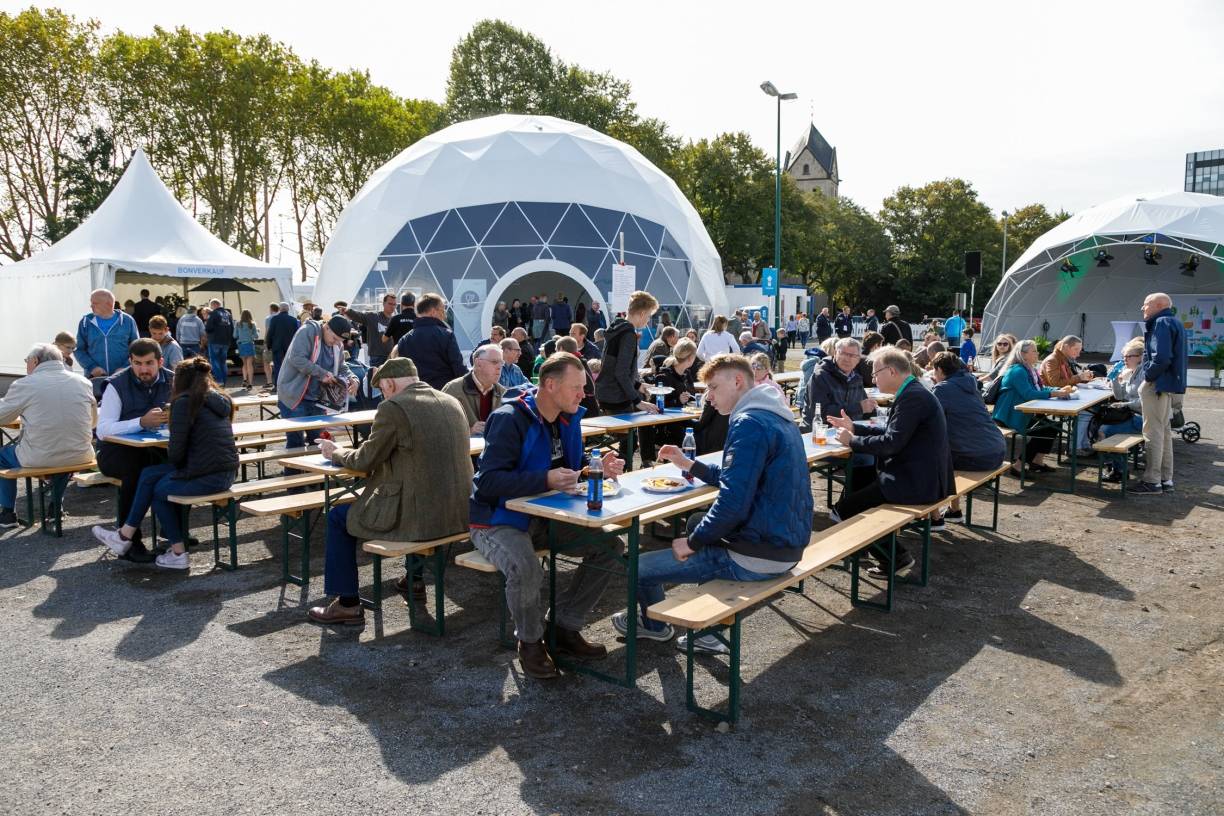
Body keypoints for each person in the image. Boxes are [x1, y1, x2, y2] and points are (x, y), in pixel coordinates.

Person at [619, 353, 812, 651]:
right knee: (697, 520)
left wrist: (692, 543)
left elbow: (733, 502)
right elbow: (739, 477)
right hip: (787, 544)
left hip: (758, 556)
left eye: (713, 388)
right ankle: (707, 634)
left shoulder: (749, 422)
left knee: (638, 567)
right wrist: (689, 464)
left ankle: (655, 626)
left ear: (737, 381)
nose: (708, 397)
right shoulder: (776, 415)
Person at [469, 353, 627, 679]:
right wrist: (545, 480)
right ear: (550, 384)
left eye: (584, 387)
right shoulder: (510, 418)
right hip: (496, 519)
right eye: (577, 387)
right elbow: (488, 483)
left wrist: (593, 468)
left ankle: (564, 627)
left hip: (546, 515)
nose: (584, 395)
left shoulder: (568, 416)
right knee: (526, 568)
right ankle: (529, 642)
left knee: (610, 547)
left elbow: (570, 464)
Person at [307, 358, 472, 624]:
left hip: (423, 519)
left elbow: (364, 461)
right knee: (419, 489)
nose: (383, 394)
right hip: (459, 512)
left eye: (382, 389)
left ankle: (347, 603)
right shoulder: (451, 402)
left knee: (338, 517)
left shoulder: (393, 407)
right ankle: (413, 580)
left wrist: (335, 452)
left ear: (390, 383)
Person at [92, 357, 238, 570]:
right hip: (226, 472)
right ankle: (124, 536)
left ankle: (177, 553)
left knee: (158, 489)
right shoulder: (220, 399)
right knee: (150, 475)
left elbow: (177, 454)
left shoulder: (183, 402)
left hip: (206, 474)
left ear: (179, 380)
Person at [826, 347, 953, 575]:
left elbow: (891, 443)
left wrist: (852, 440)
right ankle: (890, 555)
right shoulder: (913, 391)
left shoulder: (912, 396)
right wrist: (854, 426)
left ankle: (893, 557)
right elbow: (892, 431)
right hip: (921, 477)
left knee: (844, 509)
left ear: (892, 371)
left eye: (875, 374)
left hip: (917, 483)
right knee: (859, 492)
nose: (873, 379)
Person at [95, 338, 176, 562]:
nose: (143, 369)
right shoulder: (115, 385)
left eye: (149, 363)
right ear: (130, 361)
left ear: (160, 361)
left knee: (180, 464)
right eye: (137, 363)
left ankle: (174, 532)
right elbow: (102, 430)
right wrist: (140, 422)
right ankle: (131, 542)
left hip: (155, 449)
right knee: (138, 470)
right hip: (115, 452)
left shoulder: (173, 380)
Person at [0, 344, 95, 528]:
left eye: (27, 361)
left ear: (35, 361)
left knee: (3, 456)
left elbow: (2, 415)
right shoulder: (83, 382)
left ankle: (7, 513)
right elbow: (92, 422)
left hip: (40, 457)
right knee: (63, 449)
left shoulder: (25, 384)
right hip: (81, 454)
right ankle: (55, 507)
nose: (27, 365)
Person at [929, 352, 1006, 521]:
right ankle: (954, 510)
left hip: (976, 456)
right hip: (997, 450)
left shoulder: (943, 388)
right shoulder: (970, 384)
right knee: (949, 449)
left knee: (928, 458)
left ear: (940, 370)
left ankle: (933, 518)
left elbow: (927, 420)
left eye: (934, 371)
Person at [1131, 292, 1188, 495]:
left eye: (1146, 304)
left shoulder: (1161, 323)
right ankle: (1166, 479)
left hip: (1157, 385)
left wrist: (1147, 378)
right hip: (1169, 386)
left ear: (1158, 305)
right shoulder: (1174, 322)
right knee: (1163, 432)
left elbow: (1162, 357)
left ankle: (1152, 481)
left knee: (1152, 432)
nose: (1143, 308)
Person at [991, 339, 1075, 475]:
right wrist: (1055, 393)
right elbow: (1029, 394)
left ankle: (1036, 462)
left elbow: (1040, 388)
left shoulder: (1028, 369)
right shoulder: (1018, 371)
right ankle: (1018, 465)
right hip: (1010, 416)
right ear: (1023, 354)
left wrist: (1058, 390)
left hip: (1022, 412)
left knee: (1052, 427)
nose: (1037, 353)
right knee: (1045, 430)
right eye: (1034, 351)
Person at [276, 315, 360, 450]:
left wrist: (352, 378)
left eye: (340, 341)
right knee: (296, 444)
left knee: (320, 442)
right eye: (334, 338)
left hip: (317, 400)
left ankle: (317, 471)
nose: (336, 343)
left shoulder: (337, 344)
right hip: (295, 396)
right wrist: (322, 374)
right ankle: (293, 472)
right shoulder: (308, 331)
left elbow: (342, 366)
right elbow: (296, 358)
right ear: (326, 327)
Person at [594, 291, 661, 440]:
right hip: (616, 397)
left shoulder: (617, 328)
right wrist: (638, 401)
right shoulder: (628, 334)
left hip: (605, 392)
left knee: (622, 443)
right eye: (649, 315)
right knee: (625, 445)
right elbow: (620, 373)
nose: (648, 320)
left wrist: (637, 385)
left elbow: (615, 368)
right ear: (642, 313)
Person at [394, 293, 467, 390]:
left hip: (415, 394)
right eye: (442, 310)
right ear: (433, 312)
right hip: (444, 394)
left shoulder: (404, 340)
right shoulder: (446, 335)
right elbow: (458, 368)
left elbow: (401, 373)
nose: (444, 315)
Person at [802, 337, 876, 433]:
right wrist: (859, 407)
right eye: (843, 354)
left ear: (858, 359)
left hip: (847, 431)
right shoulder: (821, 376)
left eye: (852, 356)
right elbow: (821, 412)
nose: (847, 359)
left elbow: (864, 410)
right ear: (835, 353)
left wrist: (873, 410)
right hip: (819, 433)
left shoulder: (856, 378)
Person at [1096, 339, 1144, 483]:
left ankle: (1117, 469)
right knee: (1099, 425)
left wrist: (1125, 405)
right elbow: (1119, 396)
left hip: (1142, 418)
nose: (1125, 359)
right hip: (1131, 415)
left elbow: (1146, 402)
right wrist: (1115, 380)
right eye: (1124, 356)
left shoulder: (1144, 374)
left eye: (1129, 356)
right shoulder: (1132, 371)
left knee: (1104, 431)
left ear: (1140, 357)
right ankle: (1114, 467)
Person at [443, 344, 507, 436]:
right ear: (478, 363)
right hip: (467, 449)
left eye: (501, 363)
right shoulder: (453, 390)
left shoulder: (503, 393)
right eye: (494, 362)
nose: (499, 367)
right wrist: (469, 431)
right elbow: (441, 427)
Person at [76, 289, 139, 378]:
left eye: (95, 303)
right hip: (95, 378)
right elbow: (79, 349)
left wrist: (125, 367)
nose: (91, 306)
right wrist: (92, 367)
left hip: (124, 377)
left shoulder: (127, 321)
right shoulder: (86, 322)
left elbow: (137, 349)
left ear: (108, 304)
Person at [345, 293, 398, 366]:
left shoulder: (395, 320)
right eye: (390, 304)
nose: (392, 306)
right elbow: (359, 316)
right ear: (383, 304)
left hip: (391, 357)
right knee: (375, 377)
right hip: (377, 357)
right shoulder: (373, 316)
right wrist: (347, 311)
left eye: (394, 304)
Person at [556, 336, 600, 417]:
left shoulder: (574, 363)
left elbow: (590, 388)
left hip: (585, 410)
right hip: (587, 408)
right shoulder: (579, 360)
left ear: (561, 349)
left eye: (556, 350)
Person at [265, 301, 299, 390]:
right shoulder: (293, 320)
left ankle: (277, 386)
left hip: (277, 346)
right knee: (290, 366)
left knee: (277, 367)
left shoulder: (274, 319)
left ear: (280, 309)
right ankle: (290, 385)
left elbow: (270, 333)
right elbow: (297, 335)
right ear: (288, 309)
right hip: (290, 347)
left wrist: (268, 345)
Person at [203, 298, 234, 385]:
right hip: (226, 342)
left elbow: (208, 328)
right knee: (223, 362)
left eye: (211, 306)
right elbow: (232, 328)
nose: (211, 308)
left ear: (214, 305)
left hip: (215, 341)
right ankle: (224, 380)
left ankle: (219, 381)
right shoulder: (228, 314)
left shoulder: (214, 313)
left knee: (215, 361)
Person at [234, 309, 259, 389]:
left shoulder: (238, 324)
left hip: (241, 345)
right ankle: (250, 383)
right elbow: (256, 336)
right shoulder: (252, 324)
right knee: (250, 364)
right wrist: (252, 335)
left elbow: (234, 335)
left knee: (244, 364)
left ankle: (245, 379)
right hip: (249, 344)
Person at [261, 303, 279, 386]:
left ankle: (269, 381)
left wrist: (265, 342)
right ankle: (278, 381)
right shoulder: (280, 317)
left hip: (270, 342)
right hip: (279, 342)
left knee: (266, 361)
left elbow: (267, 331)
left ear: (271, 309)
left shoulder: (269, 318)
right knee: (278, 362)